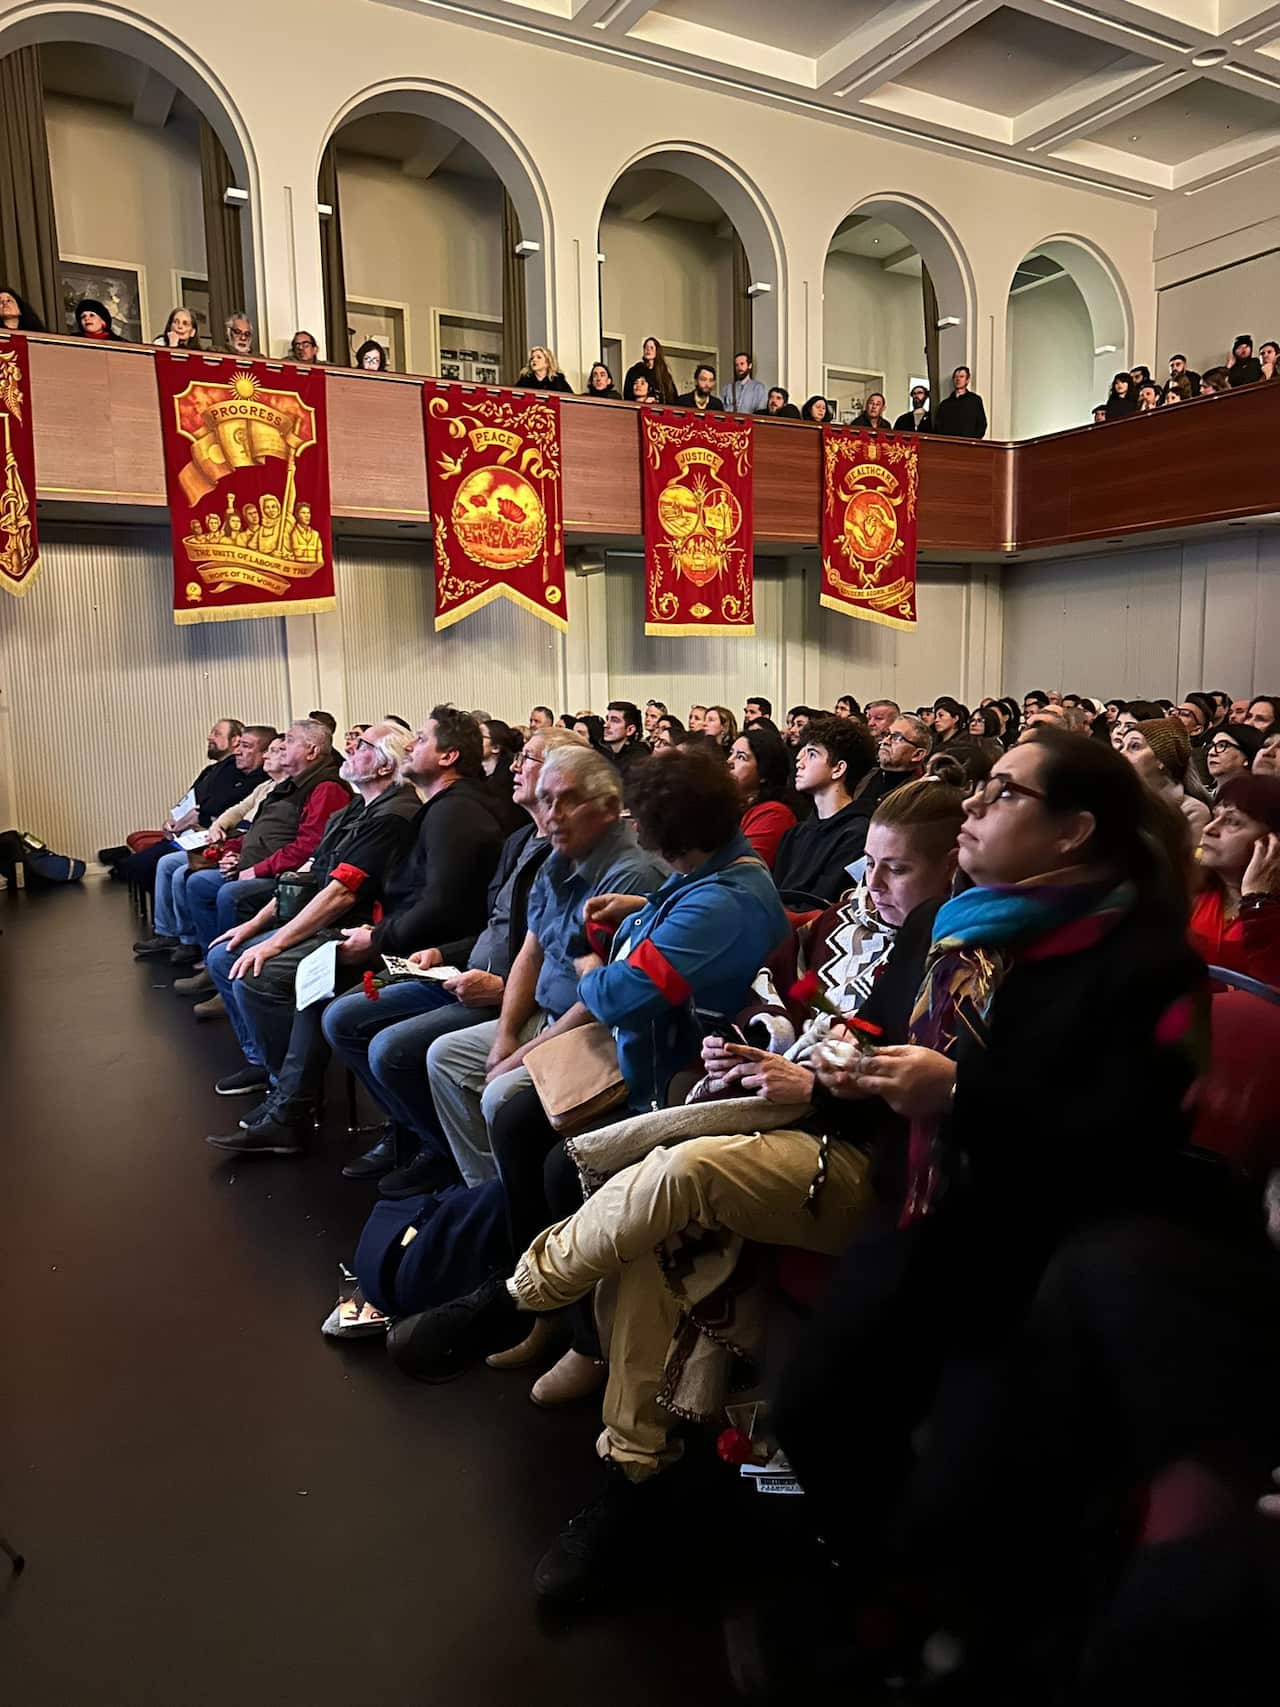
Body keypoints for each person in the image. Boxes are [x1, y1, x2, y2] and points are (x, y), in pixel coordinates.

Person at [385, 775, 963, 1604]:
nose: (870, 886)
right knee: (646, 1226)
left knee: (666, 1171)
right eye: (867, 866)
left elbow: (922, 1090)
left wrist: (813, 1079)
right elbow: (809, 1015)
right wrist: (774, 1052)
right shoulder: (875, 920)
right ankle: (633, 1477)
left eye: (894, 871)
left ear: (955, 864)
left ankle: (517, 1294)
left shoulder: (948, 944)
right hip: (801, 1113)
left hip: (873, 1169)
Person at [770, 728, 1206, 1692]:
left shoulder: (1145, 961)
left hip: (1036, 1255)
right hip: (923, 1210)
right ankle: (893, 1590)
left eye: (1004, 794)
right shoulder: (956, 922)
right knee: (810, 1412)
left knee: (959, 1491)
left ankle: (956, 1627)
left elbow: (1123, 1141)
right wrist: (827, 1075)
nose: (971, 805)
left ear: (1072, 831)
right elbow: (896, 1057)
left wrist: (961, 1095)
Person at [208, 711, 509, 1153]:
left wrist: (377, 936)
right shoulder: (396, 807)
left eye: (419, 739)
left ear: (447, 755)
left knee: (291, 984)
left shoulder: (438, 812)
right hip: (392, 938)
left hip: (423, 952)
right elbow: (315, 873)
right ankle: (289, 1096)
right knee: (286, 975)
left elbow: (432, 904)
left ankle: (408, 1134)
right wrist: (261, 928)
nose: (353, 749)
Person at [326, 725, 583, 1189]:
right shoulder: (521, 840)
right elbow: (494, 926)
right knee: (343, 1014)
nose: (513, 767)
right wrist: (445, 953)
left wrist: (500, 989)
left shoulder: (571, 854)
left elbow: (559, 954)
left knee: (390, 1045)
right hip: (468, 973)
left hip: (509, 995)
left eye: (528, 758)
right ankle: (424, 1135)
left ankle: (446, 1157)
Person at [422, 742, 667, 1187]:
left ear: (610, 808)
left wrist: (520, 1057)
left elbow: (599, 1001)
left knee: (499, 1093)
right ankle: (488, 1194)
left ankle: (517, 1203)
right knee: (445, 1058)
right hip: (546, 1016)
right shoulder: (559, 855)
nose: (551, 813)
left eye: (567, 800)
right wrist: (504, 1037)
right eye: (546, 799)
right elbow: (531, 951)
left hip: (595, 1032)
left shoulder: (630, 873)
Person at [203, 724, 424, 1151]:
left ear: (384, 764)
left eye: (360, 747)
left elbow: (342, 893)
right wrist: (254, 928)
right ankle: (280, 1082)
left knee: (261, 975)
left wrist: (274, 942)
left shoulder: (394, 813)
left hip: (363, 933)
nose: (349, 750)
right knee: (224, 956)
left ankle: (293, 1102)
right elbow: (307, 877)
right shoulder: (353, 811)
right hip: (328, 923)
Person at [178, 718, 350, 991]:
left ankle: (231, 975)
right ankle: (213, 966)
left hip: (291, 877)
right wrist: (232, 854)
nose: (281, 749)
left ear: (312, 751)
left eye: (289, 742)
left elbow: (308, 849)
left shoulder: (325, 787)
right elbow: (259, 830)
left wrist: (252, 870)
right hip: (256, 865)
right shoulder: (290, 784)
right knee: (198, 883)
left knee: (230, 894)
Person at [136, 726, 276, 966]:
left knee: (181, 872)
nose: (238, 752)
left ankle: (201, 949)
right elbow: (237, 809)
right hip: (224, 838)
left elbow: (261, 830)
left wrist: (224, 836)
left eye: (247, 747)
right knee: (167, 864)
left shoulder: (280, 785)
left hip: (243, 847)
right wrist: (217, 827)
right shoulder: (265, 785)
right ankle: (172, 934)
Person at [112, 718, 247, 896]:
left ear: (235, 740)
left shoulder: (233, 771)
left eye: (217, 733)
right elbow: (187, 803)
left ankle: (170, 919)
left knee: (137, 866)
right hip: (182, 831)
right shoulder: (209, 771)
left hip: (201, 834)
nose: (209, 737)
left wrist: (181, 825)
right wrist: (172, 822)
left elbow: (204, 810)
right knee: (133, 865)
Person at [773, 715, 877, 901]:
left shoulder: (858, 835)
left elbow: (825, 902)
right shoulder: (795, 834)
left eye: (812, 754)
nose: (799, 762)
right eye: (802, 753)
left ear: (838, 769)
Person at [1190, 776, 1280, 986]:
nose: (1208, 829)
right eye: (1215, 817)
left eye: (1232, 821)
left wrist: (1257, 900)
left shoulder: (1271, 913)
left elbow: (1271, 991)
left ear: (1272, 842)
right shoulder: (1192, 891)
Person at [1118, 716, 1209, 844]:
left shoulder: (1192, 811)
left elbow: (1184, 862)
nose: (1121, 753)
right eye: (1121, 747)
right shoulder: (1117, 800)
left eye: (1134, 746)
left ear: (1161, 759)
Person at [727, 727, 799, 867]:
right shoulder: (731, 805)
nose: (729, 761)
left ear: (763, 772)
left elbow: (743, 871)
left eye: (741, 757)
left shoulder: (774, 814)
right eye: (731, 753)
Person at [1204, 723, 1263, 794]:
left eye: (1222, 746)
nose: (1211, 752)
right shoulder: (1200, 796)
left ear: (1247, 756)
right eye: (1211, 745)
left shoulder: (1257, 799)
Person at [933, 366, 987, 438]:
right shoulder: (945, 404)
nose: (958, 379)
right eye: (956, 377)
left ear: (967, 380)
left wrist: (974, 441)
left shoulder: (975, 400)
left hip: (969, 445)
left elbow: (982, 424)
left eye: (961, 377)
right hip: (948, 444)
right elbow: (938, 426)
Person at [622, 337, 677, 404]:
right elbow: (627, 395)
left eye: (651, 348)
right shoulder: (634, 371)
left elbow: (673, 397)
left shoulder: (665, 375)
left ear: (657, 351)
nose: (648, 350)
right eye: (646, 347)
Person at [602, 700, 646, 779]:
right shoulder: (606, 754)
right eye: (607, 719)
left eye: (614, 721)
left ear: (630, 730)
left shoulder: (638, 761)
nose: (606, 725)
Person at [722, 352, 767, 416]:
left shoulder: (758, 387)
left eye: (742, 364)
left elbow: (761, 411)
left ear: (750, 365)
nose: (739, 367)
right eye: (737, 365)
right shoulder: (727, 388)